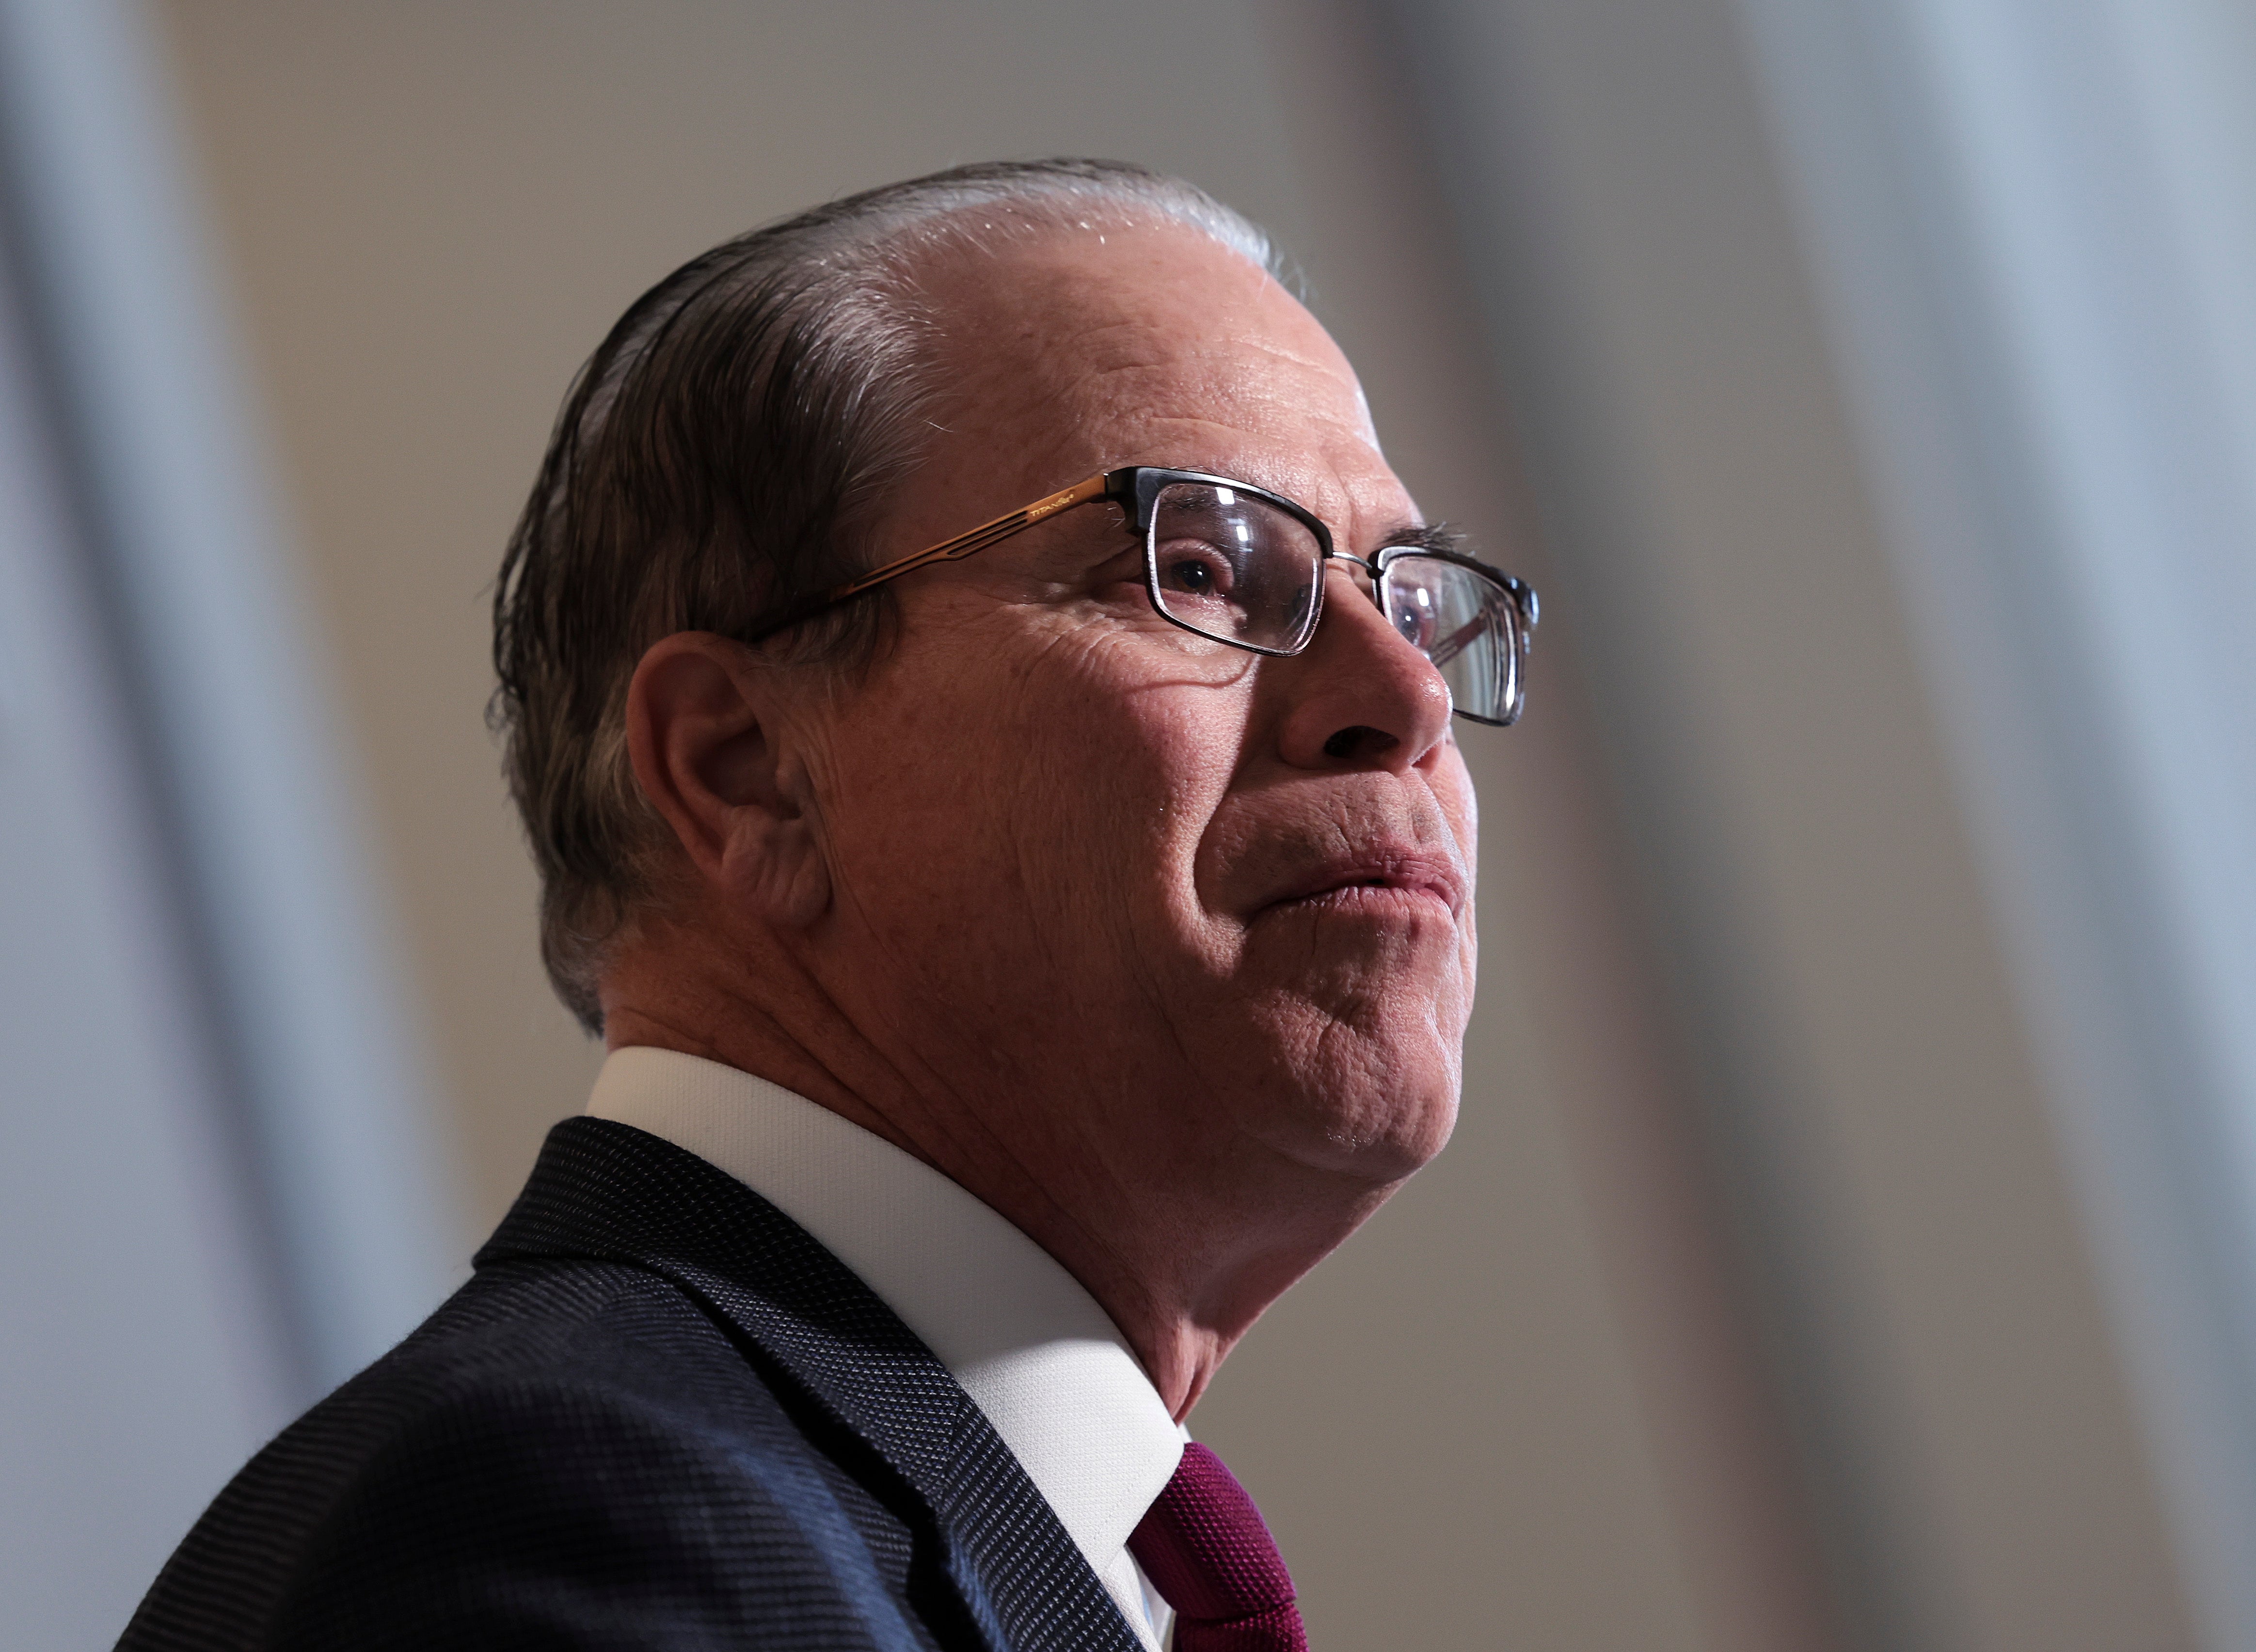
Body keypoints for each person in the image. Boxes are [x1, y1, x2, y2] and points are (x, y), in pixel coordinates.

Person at [120, 158, 1537, 1652]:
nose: (1403, 698)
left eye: (1413, 601)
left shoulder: (912, 1525)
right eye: (1199, 566)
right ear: (747, 773)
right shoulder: (590, 1519)